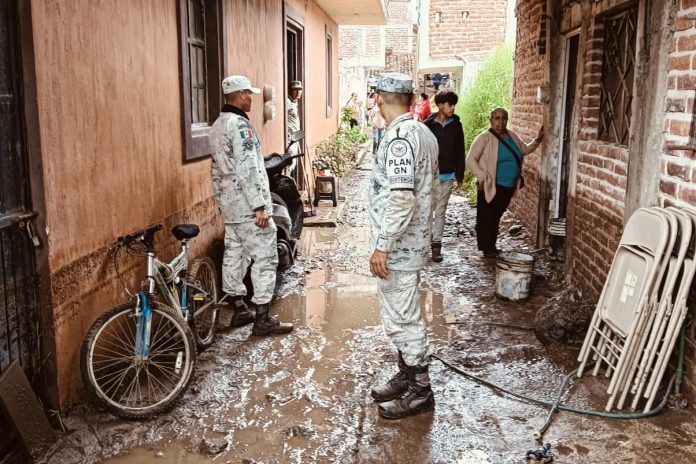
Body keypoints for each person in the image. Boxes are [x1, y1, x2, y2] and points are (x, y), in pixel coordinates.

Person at [368, 72, 440, 419]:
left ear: (380, 98)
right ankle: (406, 375)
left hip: (398, 247)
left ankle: (420, 390)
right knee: (401, 313)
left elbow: (401, 198)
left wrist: (382, 246)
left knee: (403, 319)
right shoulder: (422, 131)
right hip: (409, 242)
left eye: (376, 97)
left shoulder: (399, 138)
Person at [209, 75, 294, 335]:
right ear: (240, 95)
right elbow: (249, 168)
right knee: (265, 257)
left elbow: (215, 170)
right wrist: (259, 206)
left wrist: (221, 202)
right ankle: (263, 317)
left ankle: (239, 308)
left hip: (231, 204)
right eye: (249, 94)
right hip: (248, 203)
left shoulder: (217, 125)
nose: (252, 99)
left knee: (234, 253)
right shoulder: (240, 126)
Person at [466, 107, 544, 257]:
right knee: (487, 216)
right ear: (491, 120)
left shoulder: (511, 136)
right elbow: (470, 160)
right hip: (491, 185)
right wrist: (482, 177)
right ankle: (487, 248)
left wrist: (537, 140)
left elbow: (524, 150)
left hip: (508, 186)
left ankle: (491, 246)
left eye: (503, 118)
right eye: (497, 118)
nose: (500, 122)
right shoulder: (485, 138)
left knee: (496, 216)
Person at [423, 90, 465, 262]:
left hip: (447, 176)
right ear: (440, 106)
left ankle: (436, 246)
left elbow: (460, 151)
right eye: (450, 104)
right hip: (428, 176)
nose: (453, 108)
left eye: (454, 104)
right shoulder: (428, 125)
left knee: (440, 212)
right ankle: (424, 244)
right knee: (426, 211)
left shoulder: (456, 125)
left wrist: (459, 175)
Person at [286, 80, 303, 176]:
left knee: (294, 162)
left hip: (296, 136)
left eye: (300, 90)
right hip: (290, 137)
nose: (298, 92)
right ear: (290, 91)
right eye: (295, 90)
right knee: (290, 161)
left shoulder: (294, 102)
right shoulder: (287, 102)